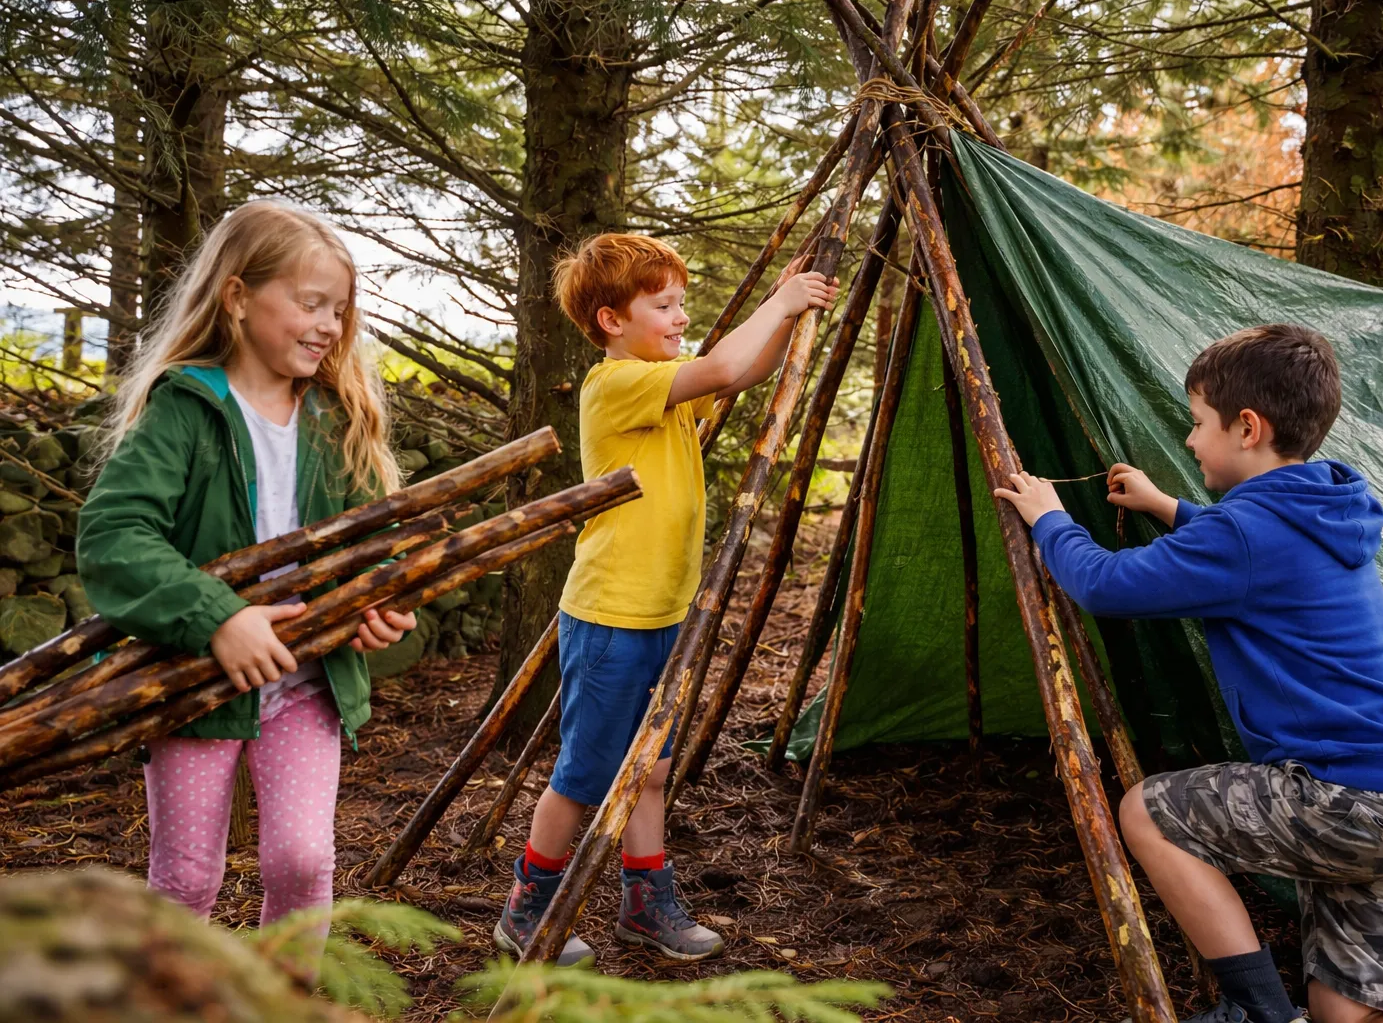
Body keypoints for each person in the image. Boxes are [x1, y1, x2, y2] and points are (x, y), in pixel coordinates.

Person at [993, 324, 1383, 1023]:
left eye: (1197, 423)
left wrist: (1051, 520)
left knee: (1147, 813)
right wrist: (1168, 509)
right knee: (1350, 1017)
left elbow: (1106, 586)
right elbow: (1252, 557)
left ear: (1248, 427)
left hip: (1350, 801)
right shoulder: (1321, 507)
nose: (1188, 441)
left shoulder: (1244, 533)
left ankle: (1256, 1011)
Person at [77, 201, 417, 969]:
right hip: (196, 678)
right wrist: (218, 617)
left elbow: (377, 551)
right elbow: (114, 535)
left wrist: (384, 606)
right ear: (236, 297)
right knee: (188, 879)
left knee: (301, 863)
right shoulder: (185, 407)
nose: (330, 324)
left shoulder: (337, 417)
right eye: (309, 302)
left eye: (339, 308)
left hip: (306, 681)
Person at [494, 234, 836, 965]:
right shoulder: (616, 385)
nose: (681, 317)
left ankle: (646, 903)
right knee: (586, 775)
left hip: (664, 615)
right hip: (613, 614)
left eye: (682, 303)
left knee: (650, 767)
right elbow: (723, 365)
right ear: (612, 320)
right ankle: (528, 902)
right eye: (664, 305)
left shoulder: (663, 377)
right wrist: (778, 302)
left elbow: (742, 371)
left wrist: (783, 315)